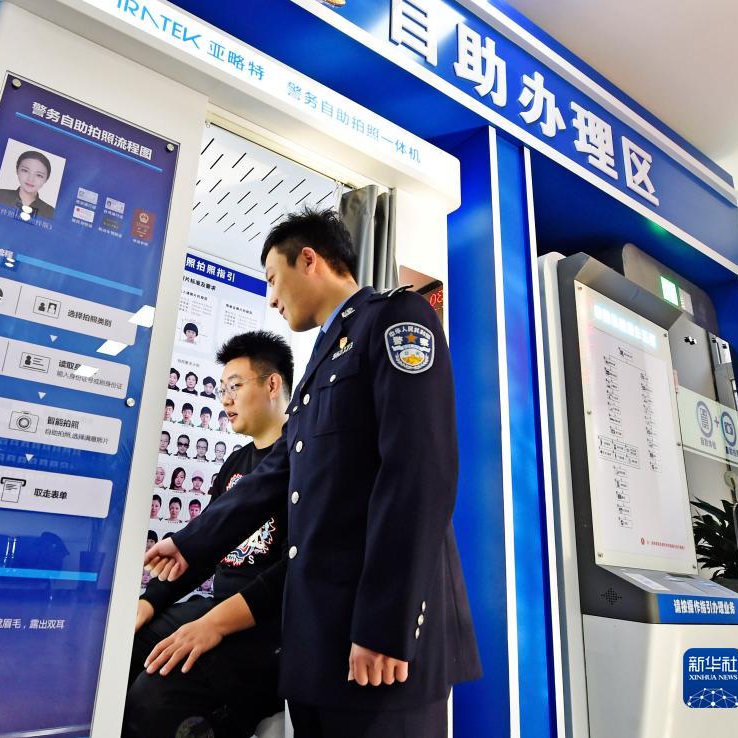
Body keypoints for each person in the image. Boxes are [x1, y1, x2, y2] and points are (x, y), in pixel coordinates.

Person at [144, 209, 480, 737]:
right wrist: (190, 543)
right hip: (320, 645)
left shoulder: (394, 319)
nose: (271, 299)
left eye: (272, 279)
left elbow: (420, 473)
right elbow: (274, 474)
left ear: (308, 260)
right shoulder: (322, 361)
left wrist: (386, 624)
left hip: (379, 643)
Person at [125, 331, 295, 738]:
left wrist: (214, 623)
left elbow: (297, 567)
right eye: (222, 390)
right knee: (126, 646)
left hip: (265, 625)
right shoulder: (235, 463)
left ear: (272, 384)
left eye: (235, 386)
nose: (225, 400)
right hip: (216, 606)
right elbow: (201, 548)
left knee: (156, 694)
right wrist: (150, 600)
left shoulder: (304, 459)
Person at [0, 150, 56, 219]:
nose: (30, 179)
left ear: (46, 179)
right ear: (17, 170)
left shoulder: (50, 212)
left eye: (39, 175)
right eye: (25, 170)